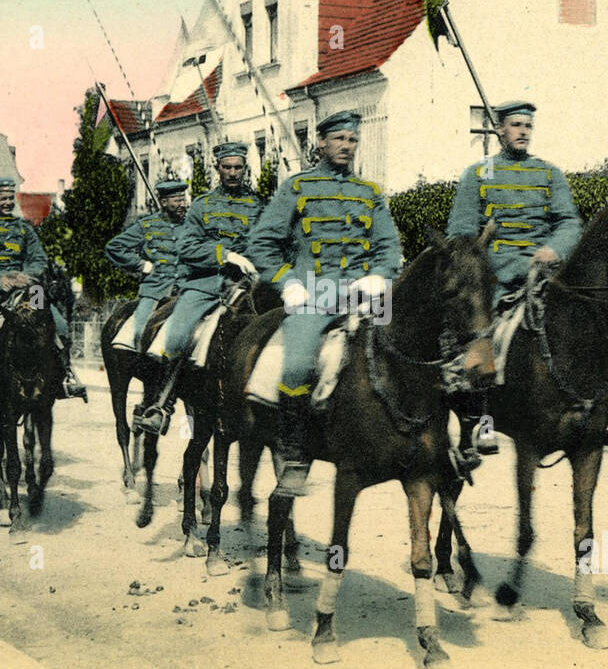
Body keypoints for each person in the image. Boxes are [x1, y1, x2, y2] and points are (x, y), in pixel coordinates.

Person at [245, 109, 403, 495]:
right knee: (297, 364)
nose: (347, 147)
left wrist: (380, 275)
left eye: (352, 140)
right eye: (339, 140)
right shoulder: (296, 188)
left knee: (408, 349)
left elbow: (388, 247)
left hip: (363, 295)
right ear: (321, 143)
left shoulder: (370, 193)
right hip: (312, 293)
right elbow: (261, 243)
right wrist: (287, 283)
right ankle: (296, 453)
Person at [445, 99, 582, 471]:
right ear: (500, 130)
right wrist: (479, 255)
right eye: (515, 125)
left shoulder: (549, 174)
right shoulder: (478, 174)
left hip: (542, 269)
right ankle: (481, 421)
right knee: (483, 333)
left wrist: (554, 248)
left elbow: (569, 222)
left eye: (528, 126)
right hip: (495, 272)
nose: (523, 131)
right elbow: (459, 233)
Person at [135, 142, 262, 436]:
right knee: (177, 334)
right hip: (205, 284)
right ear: (217, 168)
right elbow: (187, 246)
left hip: (246, 284)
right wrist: (226, 255)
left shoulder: (258, 205)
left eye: (238, 167)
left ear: (245, 169)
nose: (233, 173)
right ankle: (162, 403)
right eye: (227, 167)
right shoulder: (202, 206)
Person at [0, 178, 87, 402]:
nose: (7, 203)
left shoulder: (24, 229)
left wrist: (27, 275)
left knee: (59, 324)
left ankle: (65, 376)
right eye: (2, 199)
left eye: (9, 198)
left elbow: (39, 259)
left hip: (27, 286)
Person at [104, 178, 189, 352]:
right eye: (178, 200)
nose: (183, 204)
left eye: (184, 199)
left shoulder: (191, 227)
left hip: (185, 290)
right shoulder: (146, 226)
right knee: (138, 332)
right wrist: (142, 266)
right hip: (155, 291)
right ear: (164, 202)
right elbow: (114, 247)